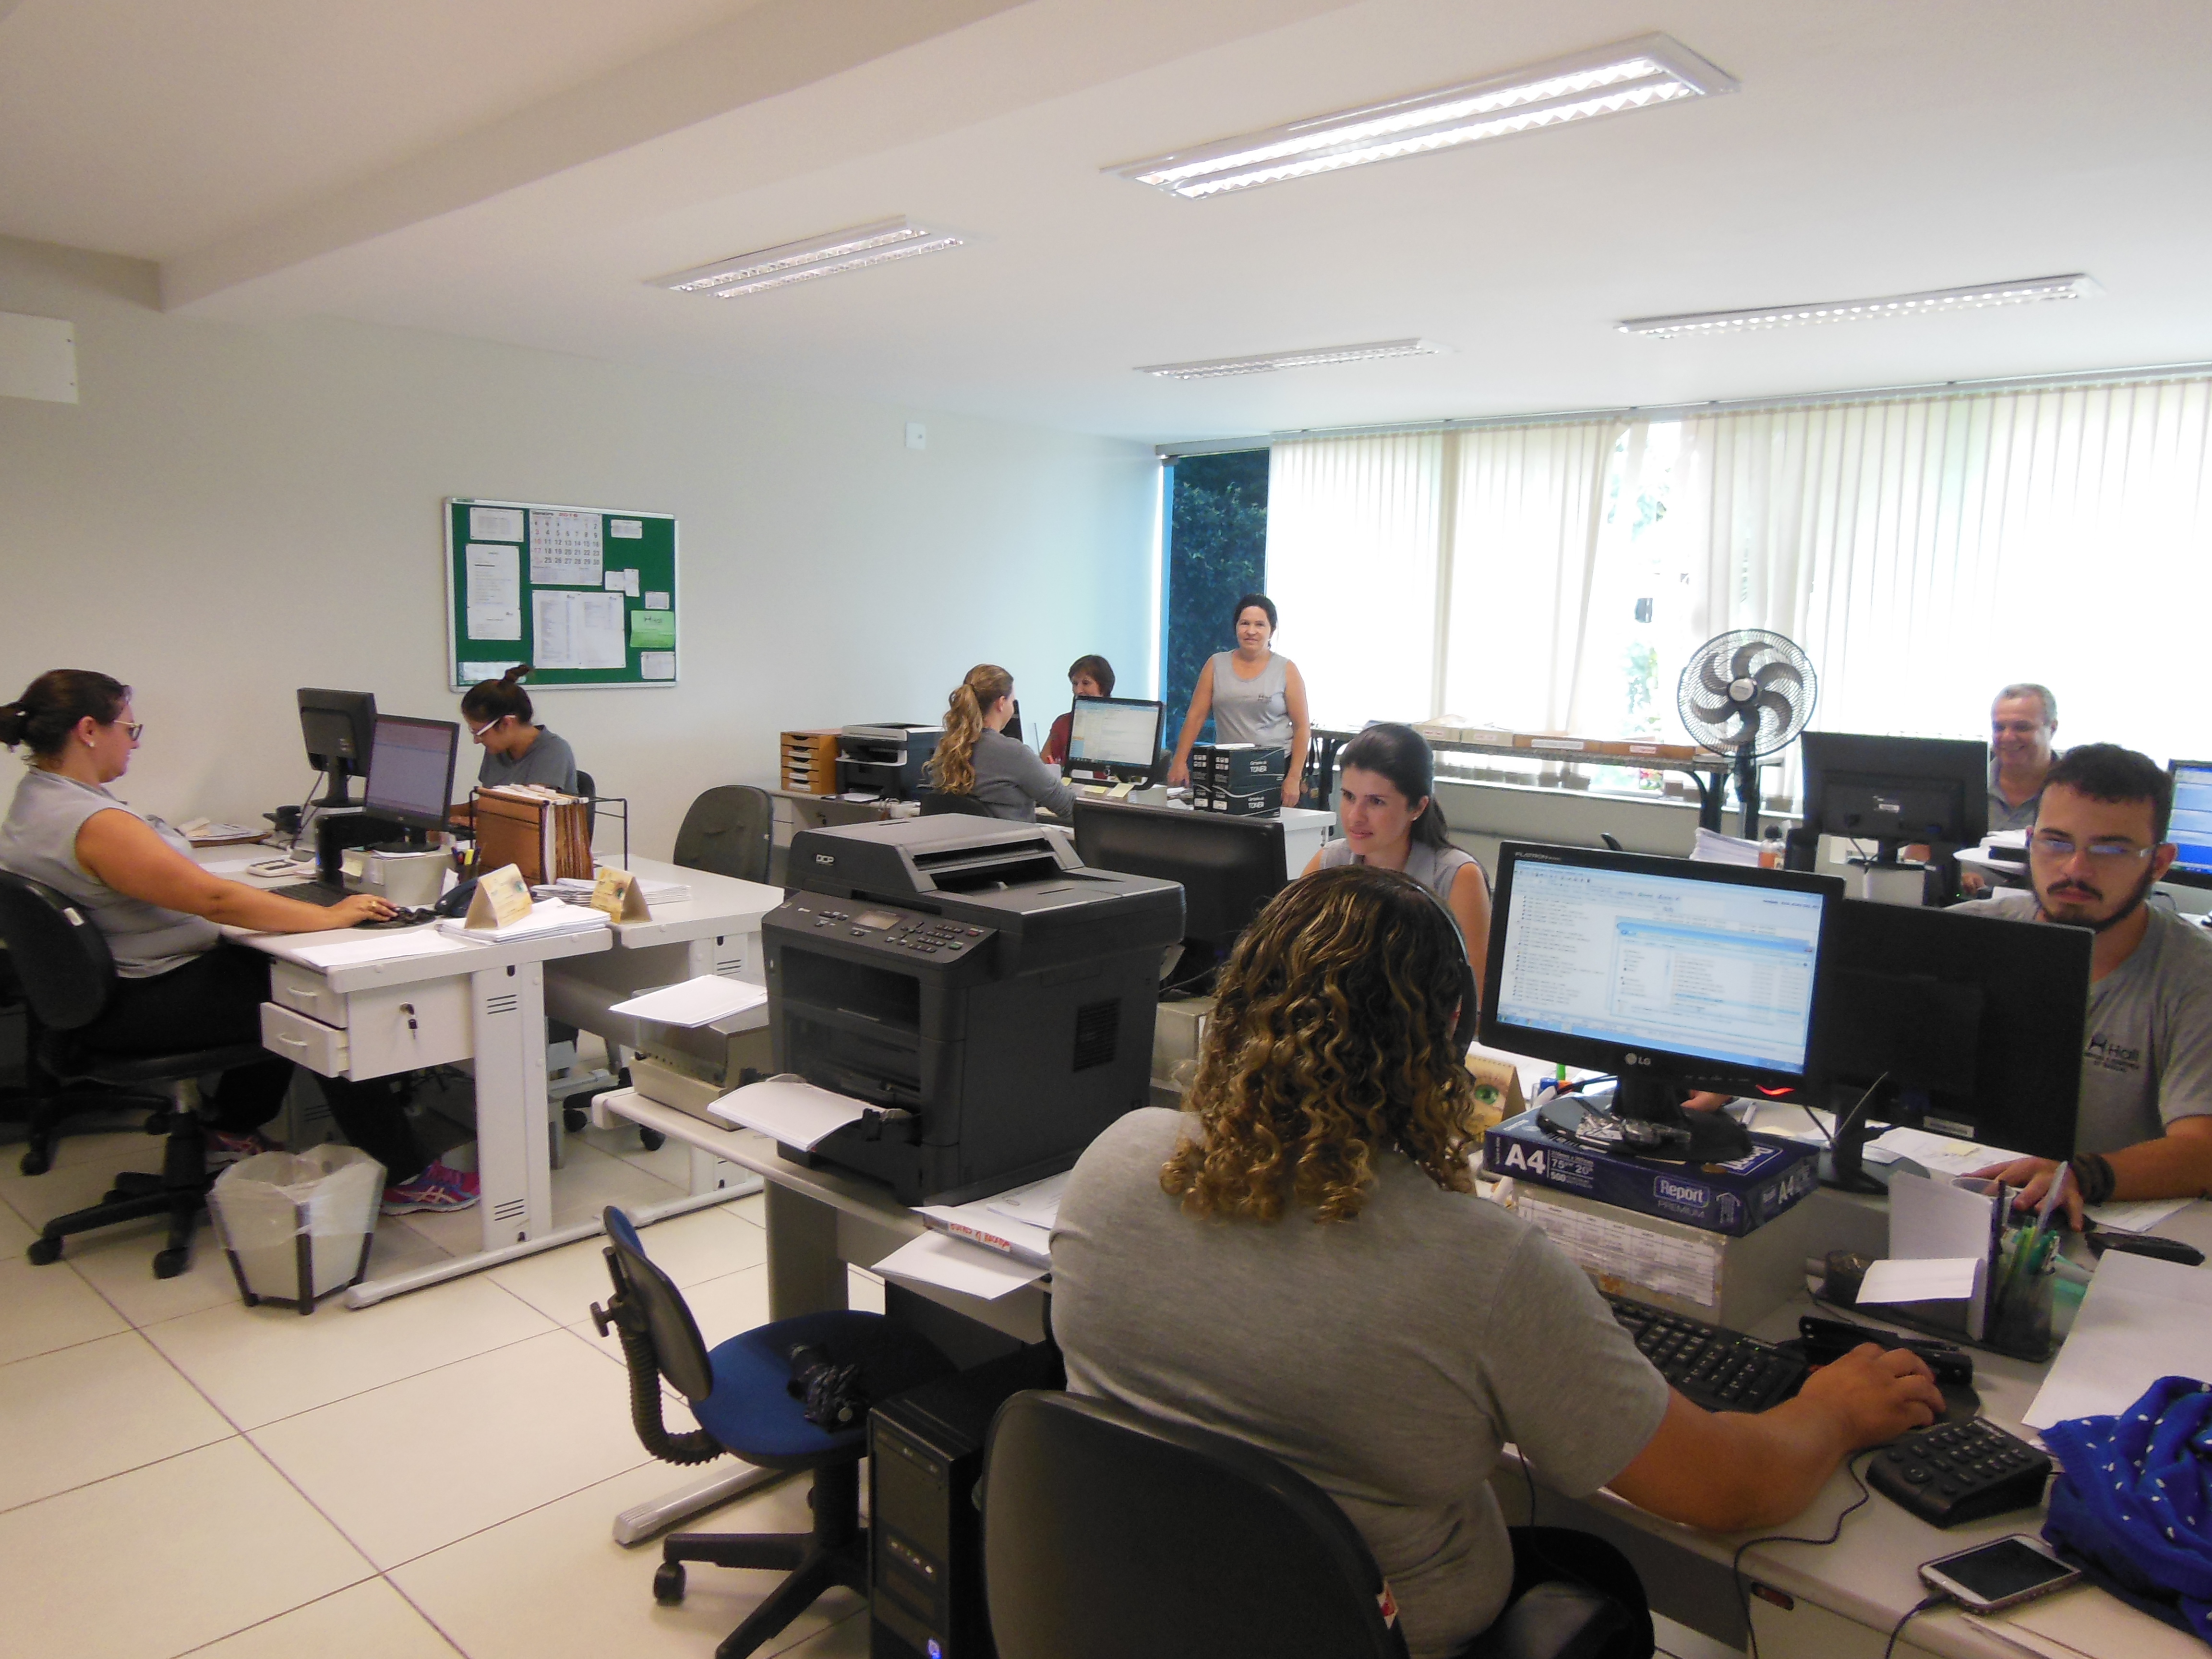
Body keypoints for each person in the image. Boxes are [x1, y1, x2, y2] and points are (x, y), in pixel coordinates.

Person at [1052, 866, 1941, 1659]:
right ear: (1447, 1035)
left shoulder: (1117, 1160)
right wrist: (1829, 1410)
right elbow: (1726, 1488)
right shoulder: (1478, 1267)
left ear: (1243, 998)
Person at [0, 671, 480, 1214]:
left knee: (266, 973)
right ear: (89, 730)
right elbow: (217, 903)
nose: (133, 743)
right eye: (129, 729)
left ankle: (230, 1130)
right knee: (323, 998)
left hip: (109, 993)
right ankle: (407, 1174)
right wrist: (330, 915)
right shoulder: (94, 822)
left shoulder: (36, 800)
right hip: (141, 998)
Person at [1958, 744, 2212, 1225]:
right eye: (2055, 842)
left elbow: (2203, 1151)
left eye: (2110, 850)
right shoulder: (1968, 934)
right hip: (1958, 1193)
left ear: (2158, 863)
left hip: (2108, 1232)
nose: (2075, 869)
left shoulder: (2195, 977)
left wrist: (2081, 1175)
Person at [1302, 722, 1492, 990]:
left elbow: (1473, 1003)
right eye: (1349, 796)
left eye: (1376, 801)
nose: (1355, 816)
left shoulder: (1457, 878)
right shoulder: (1328, 864)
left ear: (1418, 807)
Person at [1165, 593, 1311, 808]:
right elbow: (1195, 717)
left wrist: (1294, 778)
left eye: (1260, 625)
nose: (1251, 631)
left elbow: (1302, 728)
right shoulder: (1216, 664)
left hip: (1275, 769)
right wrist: (1179, 761)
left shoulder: (1286, 669)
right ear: (1236, 627)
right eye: (1245, 623)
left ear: (1272, 630)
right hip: (1228, 769)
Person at [927, 664, 1074, 821]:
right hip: (1014, 844)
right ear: (1001, 703)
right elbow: (1067, 806)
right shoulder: (1014, 753)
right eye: (1012, 702)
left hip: (961, 844)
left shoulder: (947, 747)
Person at [462, 665, 578, 792]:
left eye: (480, 733)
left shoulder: (554, 750)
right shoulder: (498, 747)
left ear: (506, 723)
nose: (477, 740)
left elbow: (529, 809)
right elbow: (488, 802)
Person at [1987, 683, 2060, 833]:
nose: (2007, 737)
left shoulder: (2077, 792)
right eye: (1999, 728)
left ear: (2052, 729)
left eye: (2022, 728)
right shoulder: (1968, 785)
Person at [1039, 654, 1115, 768]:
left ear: (1103, 688)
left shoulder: (1120, 722)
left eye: (1086, 683)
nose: (1078, 690)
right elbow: (1044, 764)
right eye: (1075, 684)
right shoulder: (1063, 722)